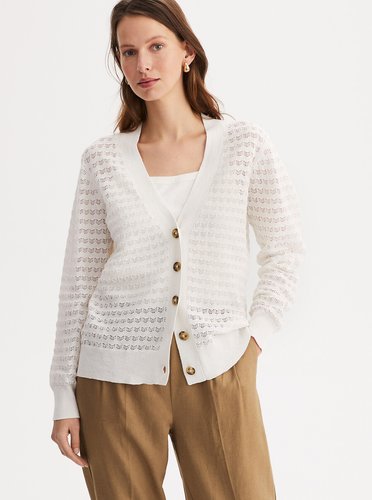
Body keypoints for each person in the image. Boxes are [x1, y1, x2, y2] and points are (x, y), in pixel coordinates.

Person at [49, 0, 305, 498]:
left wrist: (254, 338)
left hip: (221, 363)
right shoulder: (103, 160)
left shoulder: (244, 145)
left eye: (156, 46)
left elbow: (286, 249)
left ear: (187, 51)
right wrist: (63, 393)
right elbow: (79, 279)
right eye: (128, 52)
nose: (142, 64)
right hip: (113, 372)